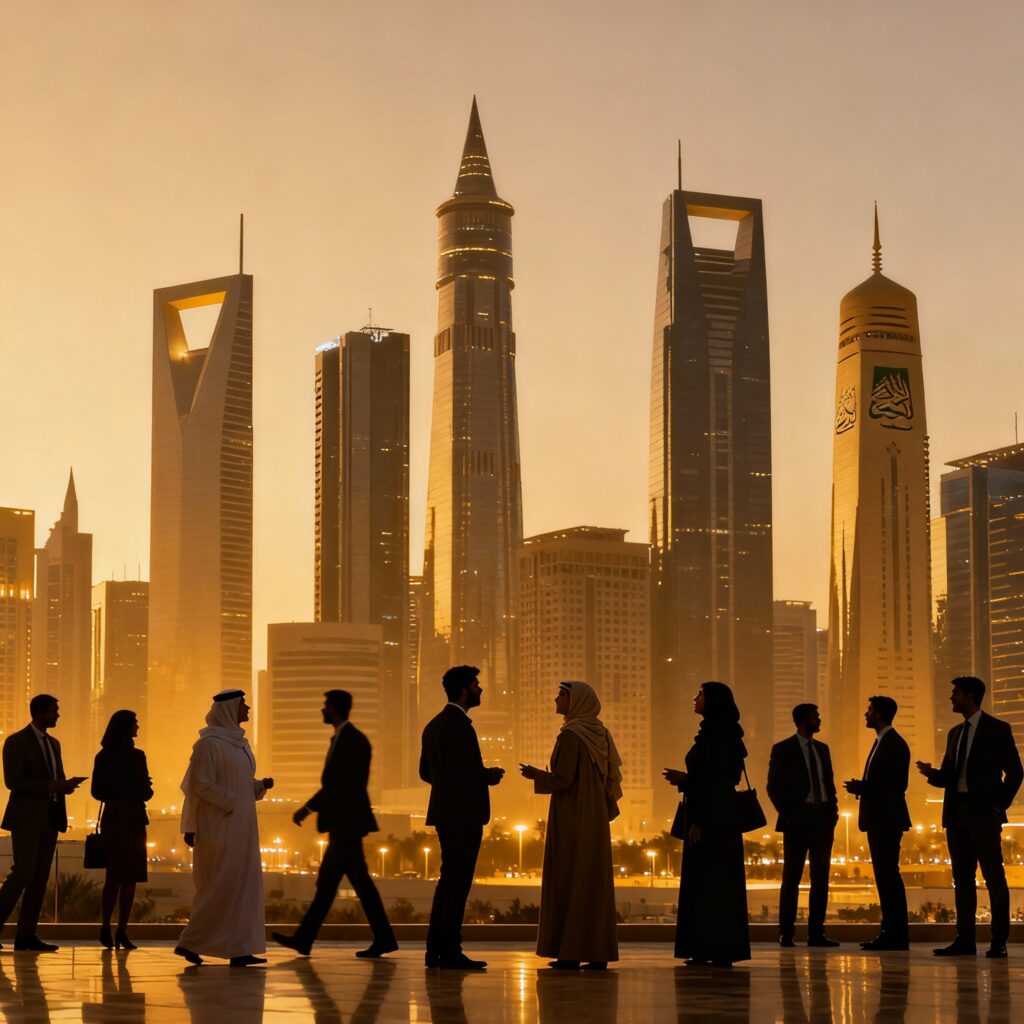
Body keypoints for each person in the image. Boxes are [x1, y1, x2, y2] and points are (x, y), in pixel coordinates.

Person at [272, 689, 397, 959]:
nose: (322, 710)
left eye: (325, 706)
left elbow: (339, 785)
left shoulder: (352, 741)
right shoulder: (344, 739)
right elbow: (335, 785)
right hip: (345, 824)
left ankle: (306, 939)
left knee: (339, 884)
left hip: (346, 824)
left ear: (335, 709)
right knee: (342, 884)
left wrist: (307, 808)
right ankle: (309, 939)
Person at [916, 676, 1024, 958]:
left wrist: (998, 806)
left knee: (993, 877)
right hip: (956, 814)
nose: (951, 697)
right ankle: (964, 940)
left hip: (984, 815)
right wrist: (932, 775)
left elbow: (1015, 772)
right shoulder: (954, 733)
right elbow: (950, 777)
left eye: (956, 693)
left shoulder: (997, 730)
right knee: (962, 879)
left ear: (971, 696)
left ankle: (998, 941)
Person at [520, 681, 621, 970]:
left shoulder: (571, 736)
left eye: (562, 695)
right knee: (592, 882)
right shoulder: (600, 734)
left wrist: (535, 774)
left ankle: (570, 952)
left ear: (576, 702)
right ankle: (596, 951)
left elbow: (563, 779)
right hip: (595, 818)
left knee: (569, 877)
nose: (556, 699)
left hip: (572, 816)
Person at [174, 689, 274, 967]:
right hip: (219, 826)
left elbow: (242, 786)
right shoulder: (208, 745)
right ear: (230, 709)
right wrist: (232, 800)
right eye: (243, 704)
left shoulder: (241, 745)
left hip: (243, 826)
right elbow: (201, 784)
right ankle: (190, 942)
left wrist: (259, 787)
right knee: (221, 885)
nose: (248, 708)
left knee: (242, 885)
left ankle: (240, 948)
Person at [419, 665, 505, 969]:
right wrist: (489, 776)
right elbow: (466, 772)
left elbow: (426, 772)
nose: (480, 689)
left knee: (448, 882)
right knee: (457, 884)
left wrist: (447, 785)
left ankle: (436, 950)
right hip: (463, 815)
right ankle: (450, 951)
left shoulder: (433, 726)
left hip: (444, 813)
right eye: (476, 684)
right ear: (464, 689)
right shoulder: (460, 727)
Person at [663, 681, 750, 966]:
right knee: (710, 883)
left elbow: (718, 780)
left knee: (712, 882)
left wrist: (697, 814)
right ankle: (708, 946)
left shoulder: (721, 736)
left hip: (713, 819)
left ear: (713, 702)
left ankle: (715, 947)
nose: (695, 698)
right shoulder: (715, 733)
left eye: (700, 694)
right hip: (715, 814)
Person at [0, 694, 86, 951]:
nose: (58, 715)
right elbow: (13, 781)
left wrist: (64, 787)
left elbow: (53, 777)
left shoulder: (54, 744)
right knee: (23, 872)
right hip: (26, 818)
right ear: (39, 713)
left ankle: (26, 935)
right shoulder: (16, 742)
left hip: (50, 816)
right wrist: (52, 785)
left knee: (39, 877)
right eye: (54, 711)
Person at [767, 703, 839, 948]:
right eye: (815, 716)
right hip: (797, 821)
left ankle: (816, 934)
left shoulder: (823, 749)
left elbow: (828, 784)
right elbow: (773, 787)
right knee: (792, 879)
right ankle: (786, 933)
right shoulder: (783, 749)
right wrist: (790, 815)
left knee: (821, 879)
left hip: (822, 820)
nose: (819, 720)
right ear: (802, 720)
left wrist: (833, 813)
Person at [843, 695, 911, 951]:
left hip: (886, 819)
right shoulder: (882, 742)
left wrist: (863, 787)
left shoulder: (893, 744)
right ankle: (891, 932)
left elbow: (895, 786)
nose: (866, 714)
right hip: (880, 818)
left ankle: (895, 934)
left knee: (889, 877)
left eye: (869, 710)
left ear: (880, 714)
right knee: (885, 877)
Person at [91, 709, 153, 950]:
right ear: (126, 727)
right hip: (134, 818)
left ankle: (106, 926)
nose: (138, 726)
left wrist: (119, 792)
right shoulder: (138, 757)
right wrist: (136, 790)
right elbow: (146, 792)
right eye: (135, 723)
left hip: (114, 818)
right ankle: (121, 930)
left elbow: (97, 791)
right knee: (129, 878)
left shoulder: (103, 757)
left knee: (114, 877)